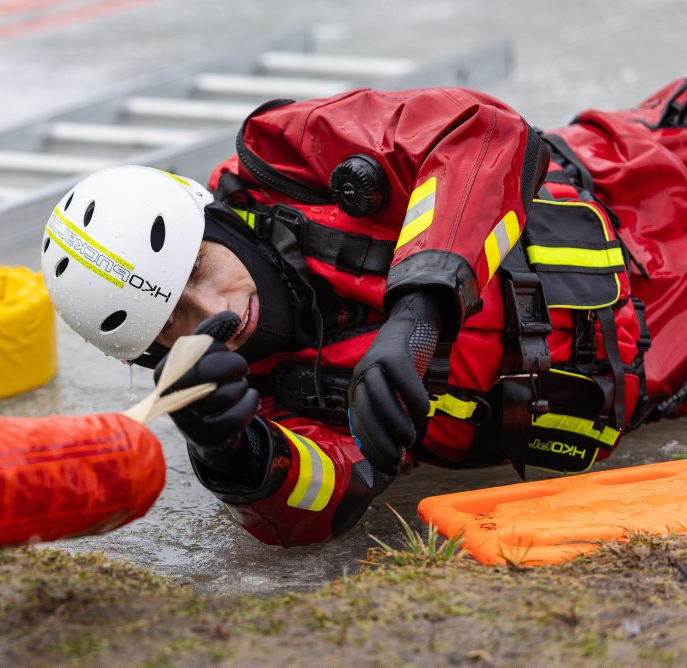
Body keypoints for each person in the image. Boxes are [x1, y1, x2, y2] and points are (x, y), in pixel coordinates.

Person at [39, 79, 687, 547]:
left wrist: (420, 309)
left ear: (216, 222)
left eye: (199, 269)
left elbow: (478, 132)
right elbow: (317, 504)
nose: (218, 310)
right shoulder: (260, 407)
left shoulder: (288, 157)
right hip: (666, 372)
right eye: (176, 321)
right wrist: (234, 458)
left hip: (647, 179)